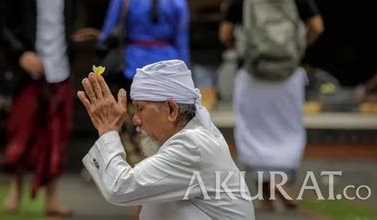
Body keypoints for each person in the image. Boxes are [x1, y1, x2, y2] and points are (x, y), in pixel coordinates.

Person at [219, 0, 324, 210]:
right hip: (288, 73)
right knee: (287, 127)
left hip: (252, 73)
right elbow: (317, 26)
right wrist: (299, 46)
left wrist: (237, 47)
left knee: (253, 128)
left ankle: (266, 188)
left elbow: (225, 33)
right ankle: (280, 183)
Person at [78, 60, 255, 219]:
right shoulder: (193, 137)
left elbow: (121, 187)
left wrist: (108, 131)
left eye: (140, 109)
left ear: (171, 109)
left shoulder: (193, 145)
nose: (135, 120)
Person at [0, 0, 88, 217]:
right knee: (21, 134)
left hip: (59, 69)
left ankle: (52, 198)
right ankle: (14, 191)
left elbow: (66, 24)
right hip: (27, 73)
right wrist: (21, 54)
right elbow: (0, 27)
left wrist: (74, 39)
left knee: (57, 137)